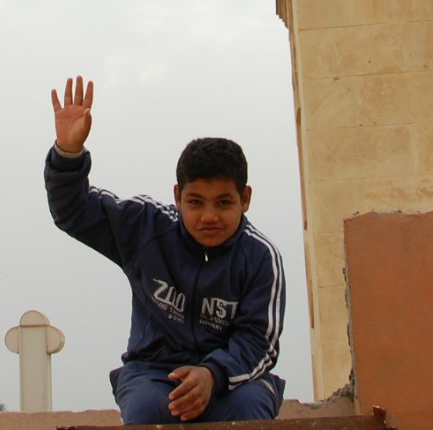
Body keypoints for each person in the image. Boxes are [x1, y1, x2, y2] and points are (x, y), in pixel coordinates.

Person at [44, 75, 285, 424]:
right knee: (147, 411)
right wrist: (68, 153)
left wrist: (212, 376)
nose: (208, 217)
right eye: (195, 202)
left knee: (250, 411)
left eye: (223, 202)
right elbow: (74, 213)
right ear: (177, 196)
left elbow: (258, 342)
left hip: (233, 380)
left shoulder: (261, 258)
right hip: (154, 373)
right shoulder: (145, 227)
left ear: (245, 199)